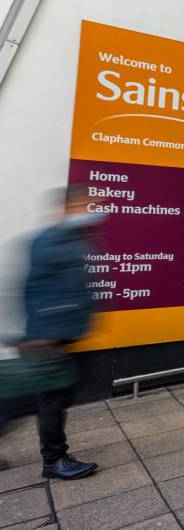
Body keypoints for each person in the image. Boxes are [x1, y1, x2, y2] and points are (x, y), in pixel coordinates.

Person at [0, 185, 103, 479]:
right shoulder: (51, 241)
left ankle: (53, 455)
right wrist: (36, 334)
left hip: (62, 334)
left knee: (46, 395)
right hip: (47, 337)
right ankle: (54, 460)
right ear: (67, 209)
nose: (91, 211)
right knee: (51, 397)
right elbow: (35, 289)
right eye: (86, 205)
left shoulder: (73, 239)